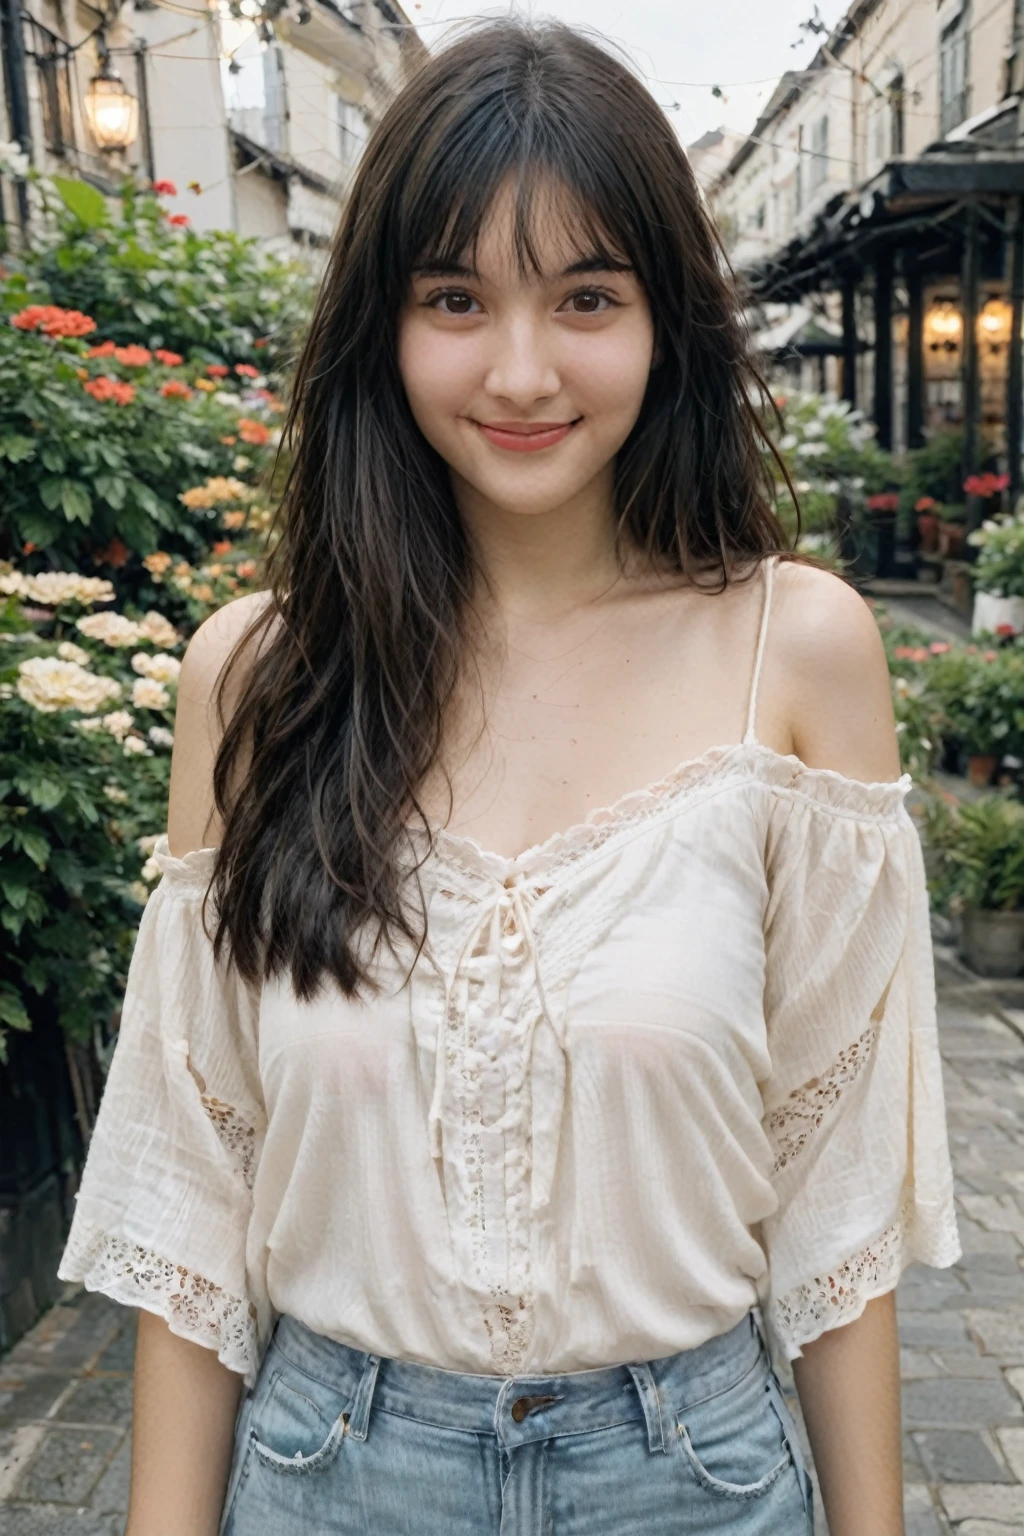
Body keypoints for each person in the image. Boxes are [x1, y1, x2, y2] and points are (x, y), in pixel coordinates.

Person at [57, 18, 960, 1536]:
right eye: (457, 299)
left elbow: (835, 1194)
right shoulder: (261, 678)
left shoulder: (793, 655)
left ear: (666, 318)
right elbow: (194, 1195)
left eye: (587, 297)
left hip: (694, 1478)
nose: (523, 369)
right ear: (382, 326)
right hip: (329, 1473)